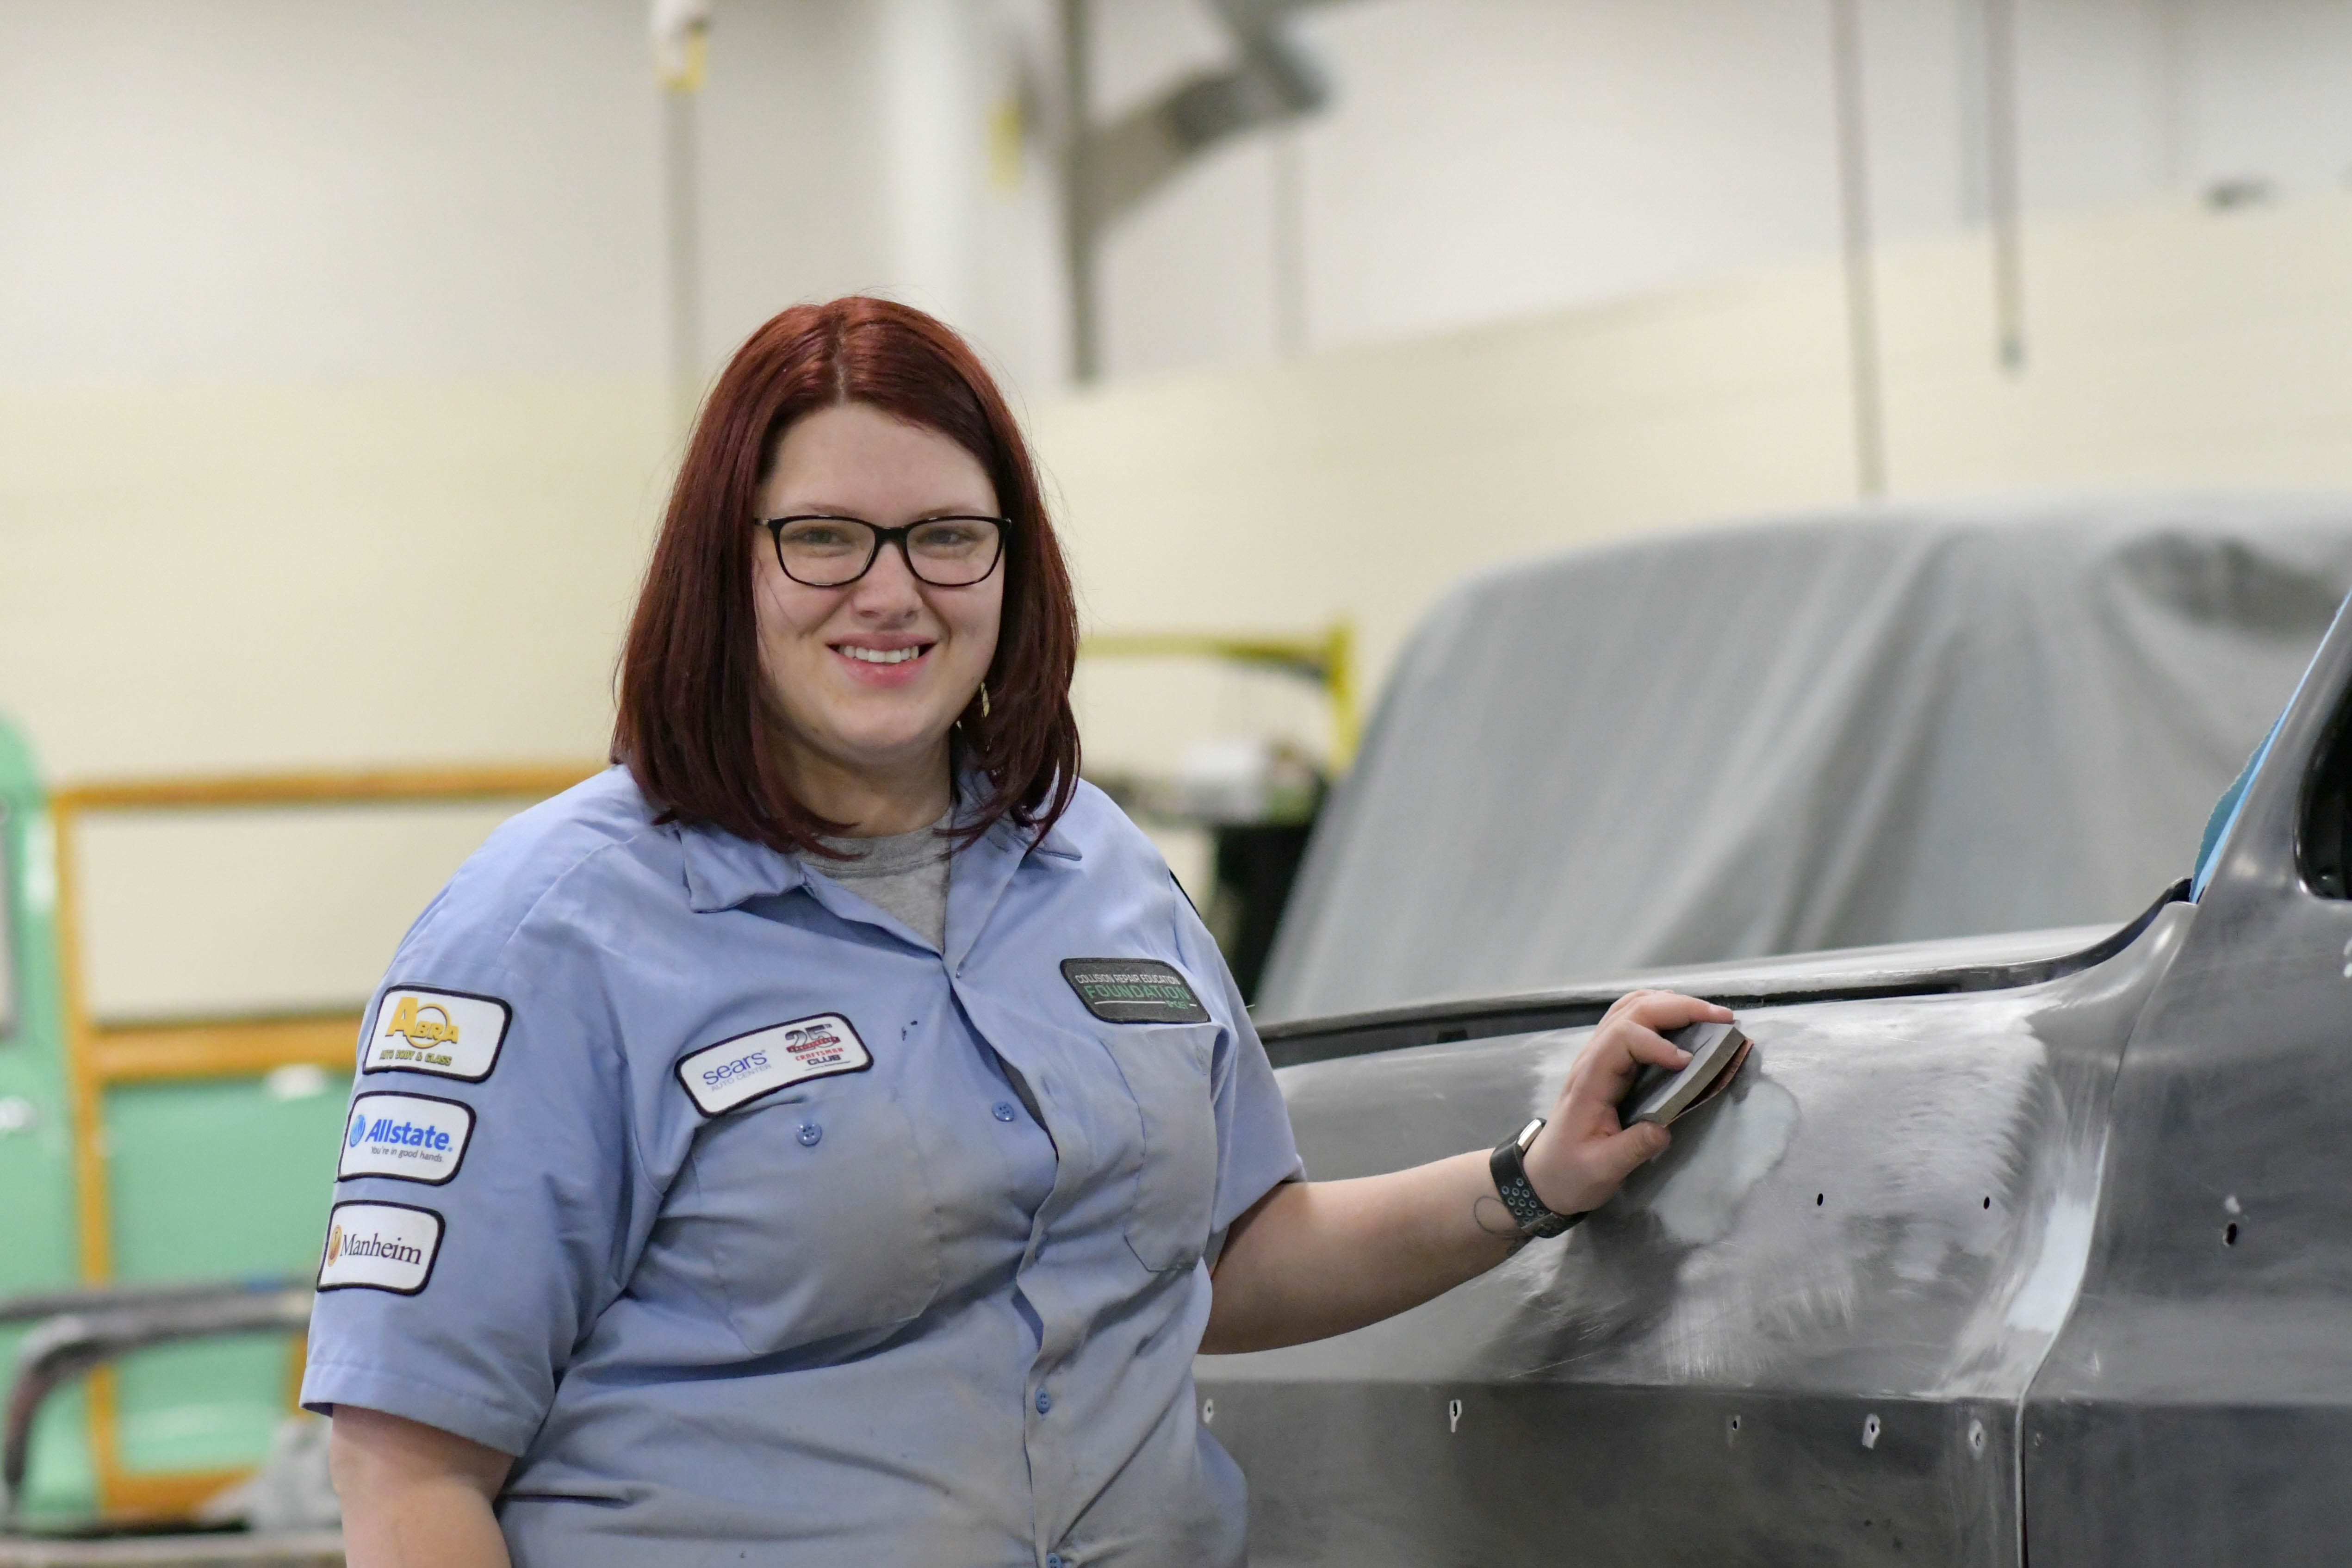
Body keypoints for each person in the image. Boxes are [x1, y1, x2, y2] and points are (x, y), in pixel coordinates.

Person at [307, 296, 1727, 1568]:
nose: (891, 589)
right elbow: (407, 1467)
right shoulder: (548, 935)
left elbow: (1223, 1260)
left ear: (1009, 563)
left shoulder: (1092, 869)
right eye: (820, 538)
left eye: (945, 536)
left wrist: (1534, 1177)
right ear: (720, 569)